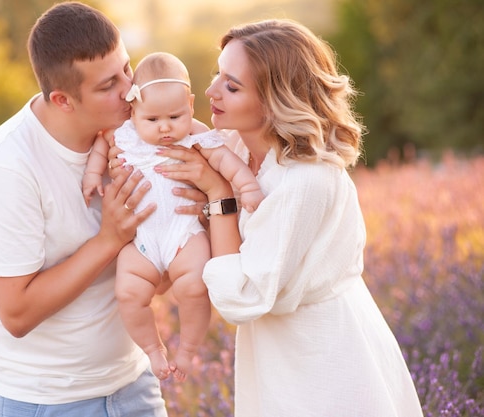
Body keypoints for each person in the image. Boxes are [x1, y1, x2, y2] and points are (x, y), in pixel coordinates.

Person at [154, 19, 424, 417]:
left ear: (275, 100)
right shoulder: (234, 146)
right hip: (273, 352)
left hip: (322, 356)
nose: (210, 92)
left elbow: (241, 297)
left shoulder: (305, 181)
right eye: (217, 75)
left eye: (232, 86)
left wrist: (217, 194)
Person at [0, 2, 168, 416]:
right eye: (109, 84)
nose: (131, 90)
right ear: (62, 100)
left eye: (127, 69)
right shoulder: (7, 167)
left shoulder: (132, 139)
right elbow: (16, 314)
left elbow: (155, 276)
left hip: (134, 384)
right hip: (48, 400)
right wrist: (109, 239)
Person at [83, 52, 264, 382]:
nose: (165, 127)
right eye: (152, 120)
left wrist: (246, 185)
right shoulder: (122, 133)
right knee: (128, 293)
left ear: (190, 106)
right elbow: (100, 145)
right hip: (141, 241)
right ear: (133, 109)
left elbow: (225, 161)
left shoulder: (195, 133)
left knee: (195, 288)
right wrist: (94, 174)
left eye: (175, 116)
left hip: (185, 233)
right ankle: (154, 349)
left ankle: (188, 350)